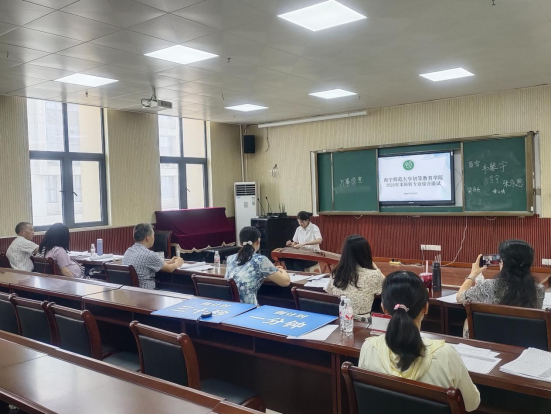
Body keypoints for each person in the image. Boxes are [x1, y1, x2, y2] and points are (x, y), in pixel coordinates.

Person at [359, 271, 480, 412]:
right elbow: (471, 403)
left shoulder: (369, 348)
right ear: (425, 307)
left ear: (384, 308)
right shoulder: (446, 355)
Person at [456, 240, 545, 337]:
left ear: (502, 262)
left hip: (487, 341)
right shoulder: (539, 290)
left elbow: (460, 297)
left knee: (467, 320)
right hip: (522, 341)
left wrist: (473, 274)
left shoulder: (485, 286)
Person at [324, 235, 384, 321]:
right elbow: (387, 285)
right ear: (366, 252)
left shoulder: (337, 272)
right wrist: (374, 267)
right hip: (362, 322)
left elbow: (329, 292)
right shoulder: (374, 274)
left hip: (338, 319)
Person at [226, 226, 290, 305]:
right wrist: (282, 270)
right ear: (258, 241)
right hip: (250, 308)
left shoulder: (230, 258)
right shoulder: (260, 260)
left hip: (231, 307)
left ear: (240, 243)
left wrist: (271, 270)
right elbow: (285, 282)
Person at [123, 223, 183, 290]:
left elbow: (151, 264)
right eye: (153, 235)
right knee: (176, 289)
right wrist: (178, 263)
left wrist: (170, 262)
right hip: (147, 292)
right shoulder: (149, 255)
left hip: (131, 291)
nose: (154, 238)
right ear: (148, 238)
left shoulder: (128, 251)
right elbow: (170, 269)